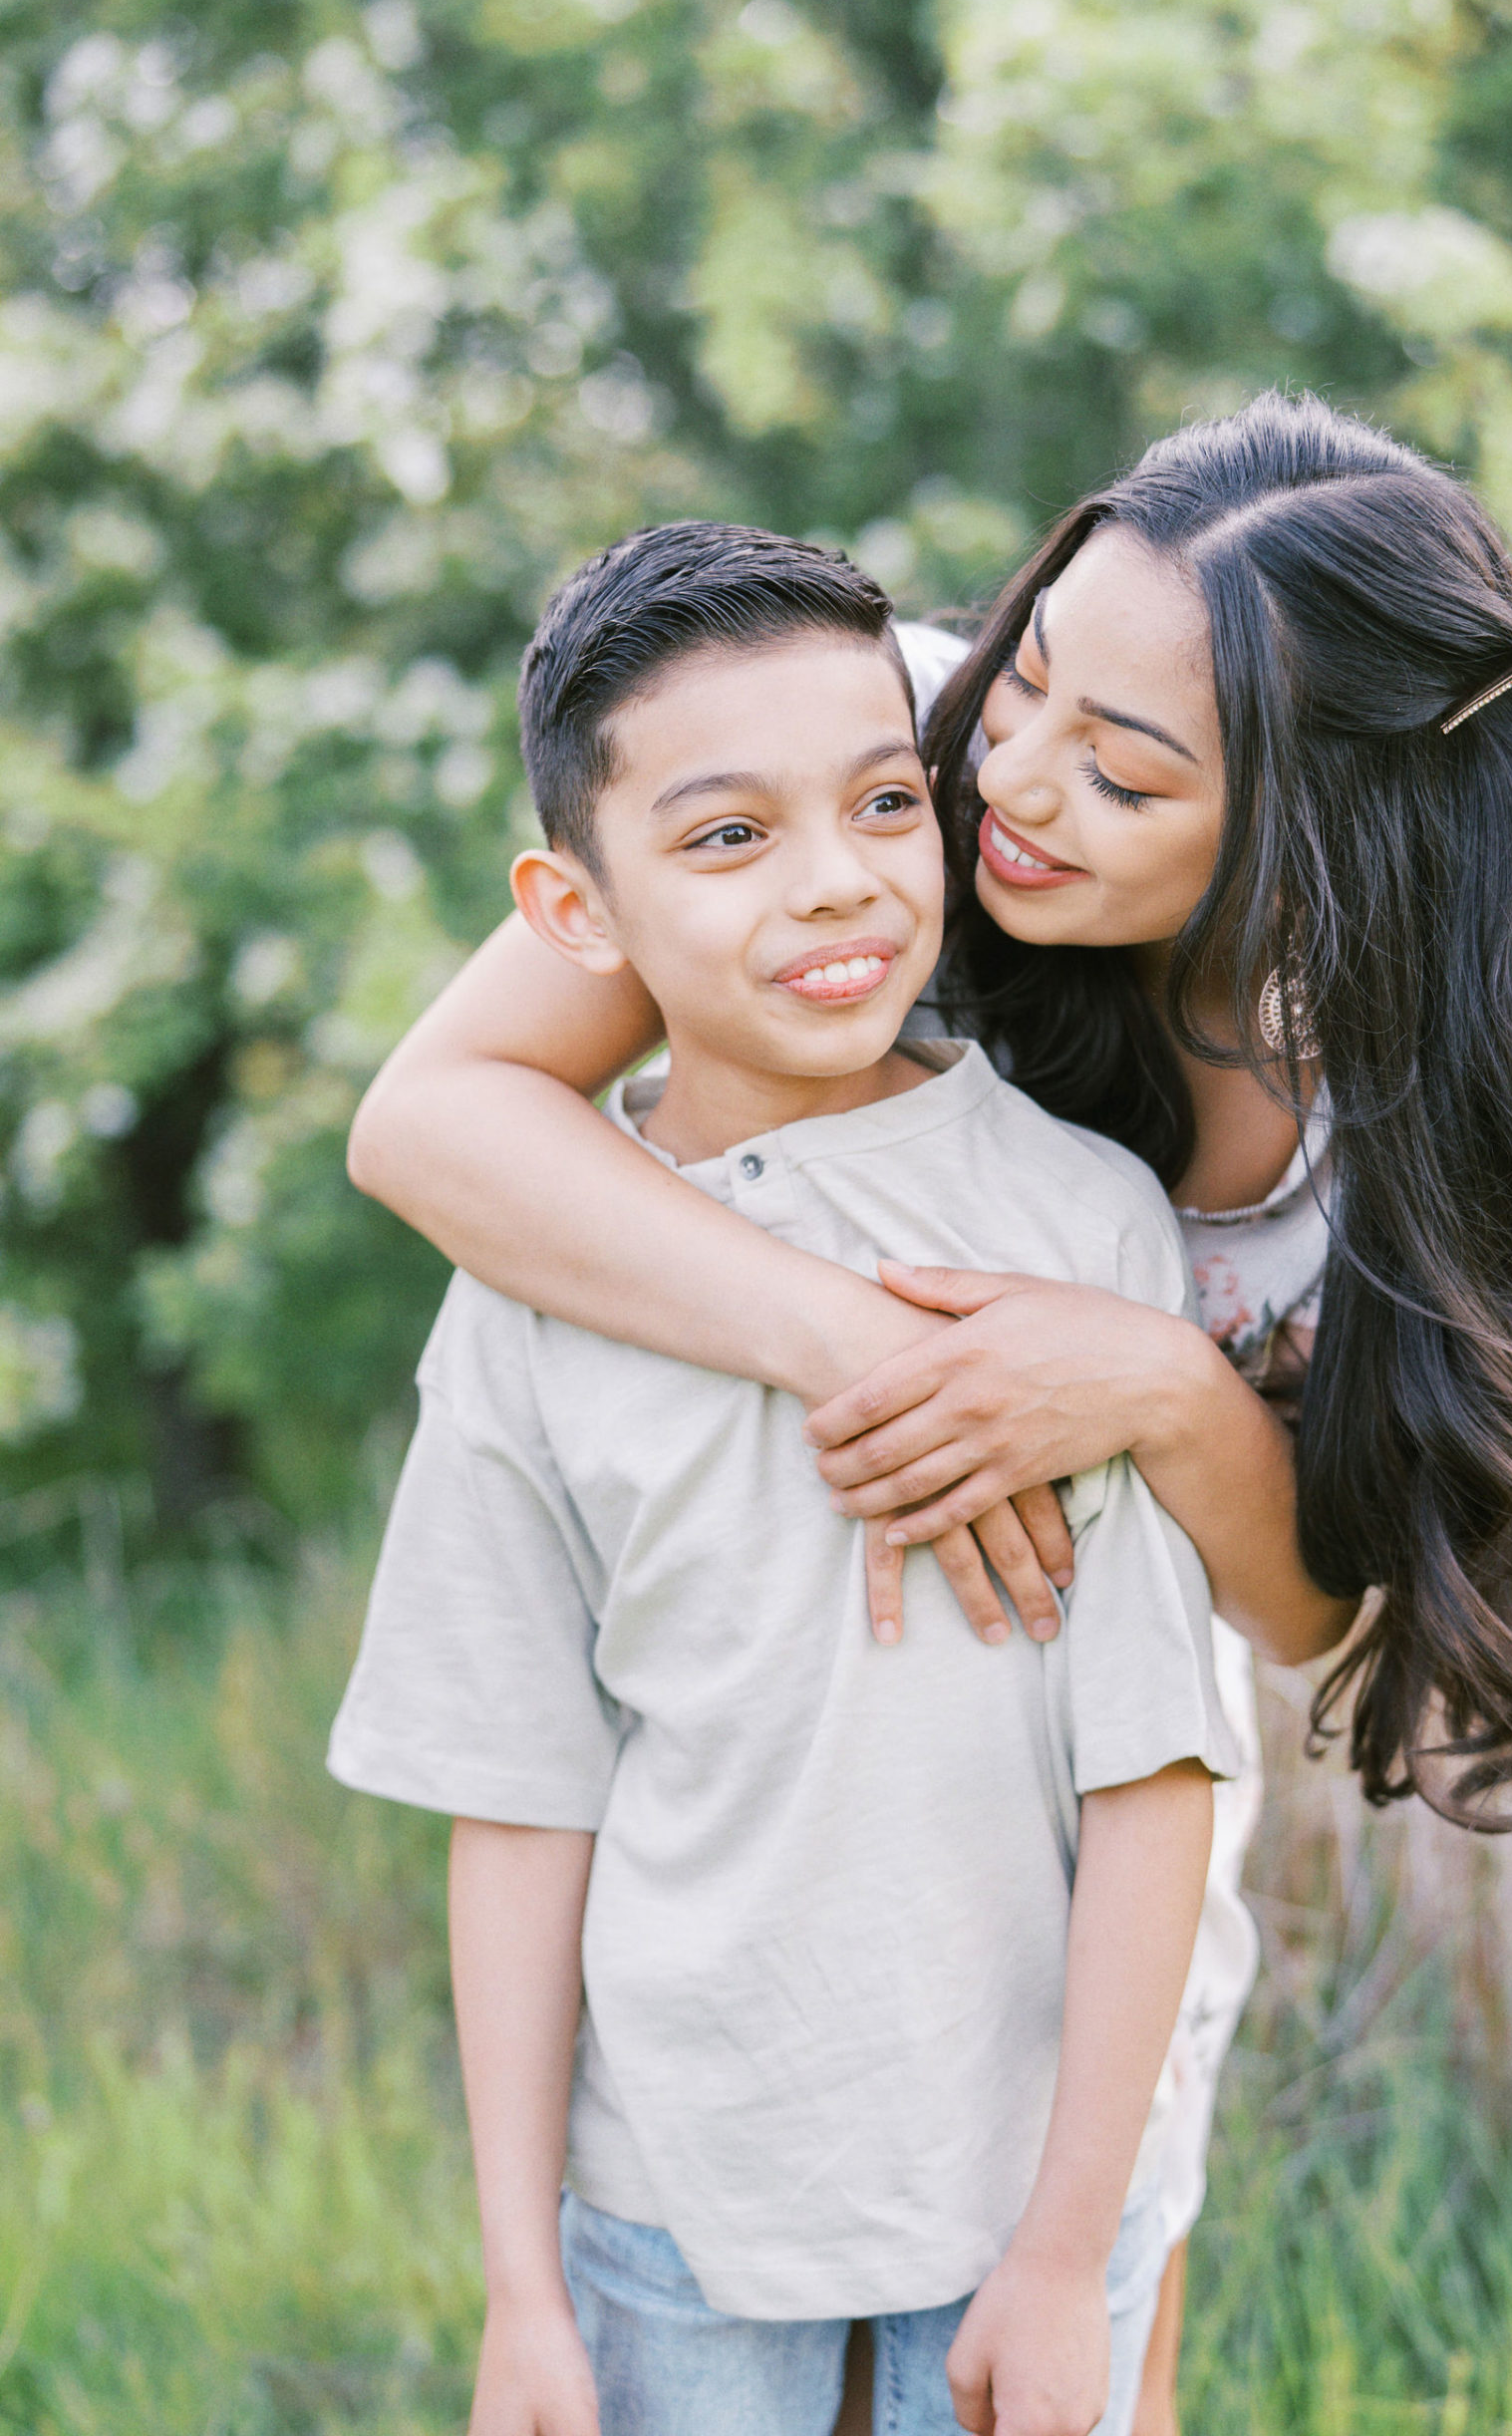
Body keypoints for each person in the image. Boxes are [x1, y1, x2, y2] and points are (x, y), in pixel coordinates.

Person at [347, 392, 1512, 2432]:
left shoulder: (1401, 1134)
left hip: (1061, 1940)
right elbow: (429, 1122)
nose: (1006, 784)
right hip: (721, 2032)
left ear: (1314, 834)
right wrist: (874, 1352)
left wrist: (1148, 1384)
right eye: (1025, 667)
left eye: (1121, 771)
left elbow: (1312, 1627)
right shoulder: (872, 775)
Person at [330, 519, 1246, 2436]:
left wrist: (1071, 2246)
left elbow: (1156, 1769)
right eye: (728, 837)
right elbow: (517, 1797)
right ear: (574, 912)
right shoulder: (534, 1283)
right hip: (672, 2196)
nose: (836, 887)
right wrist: (521, 2291)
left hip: (1026, 2178)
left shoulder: (1076, 1228)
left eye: (883, 804)